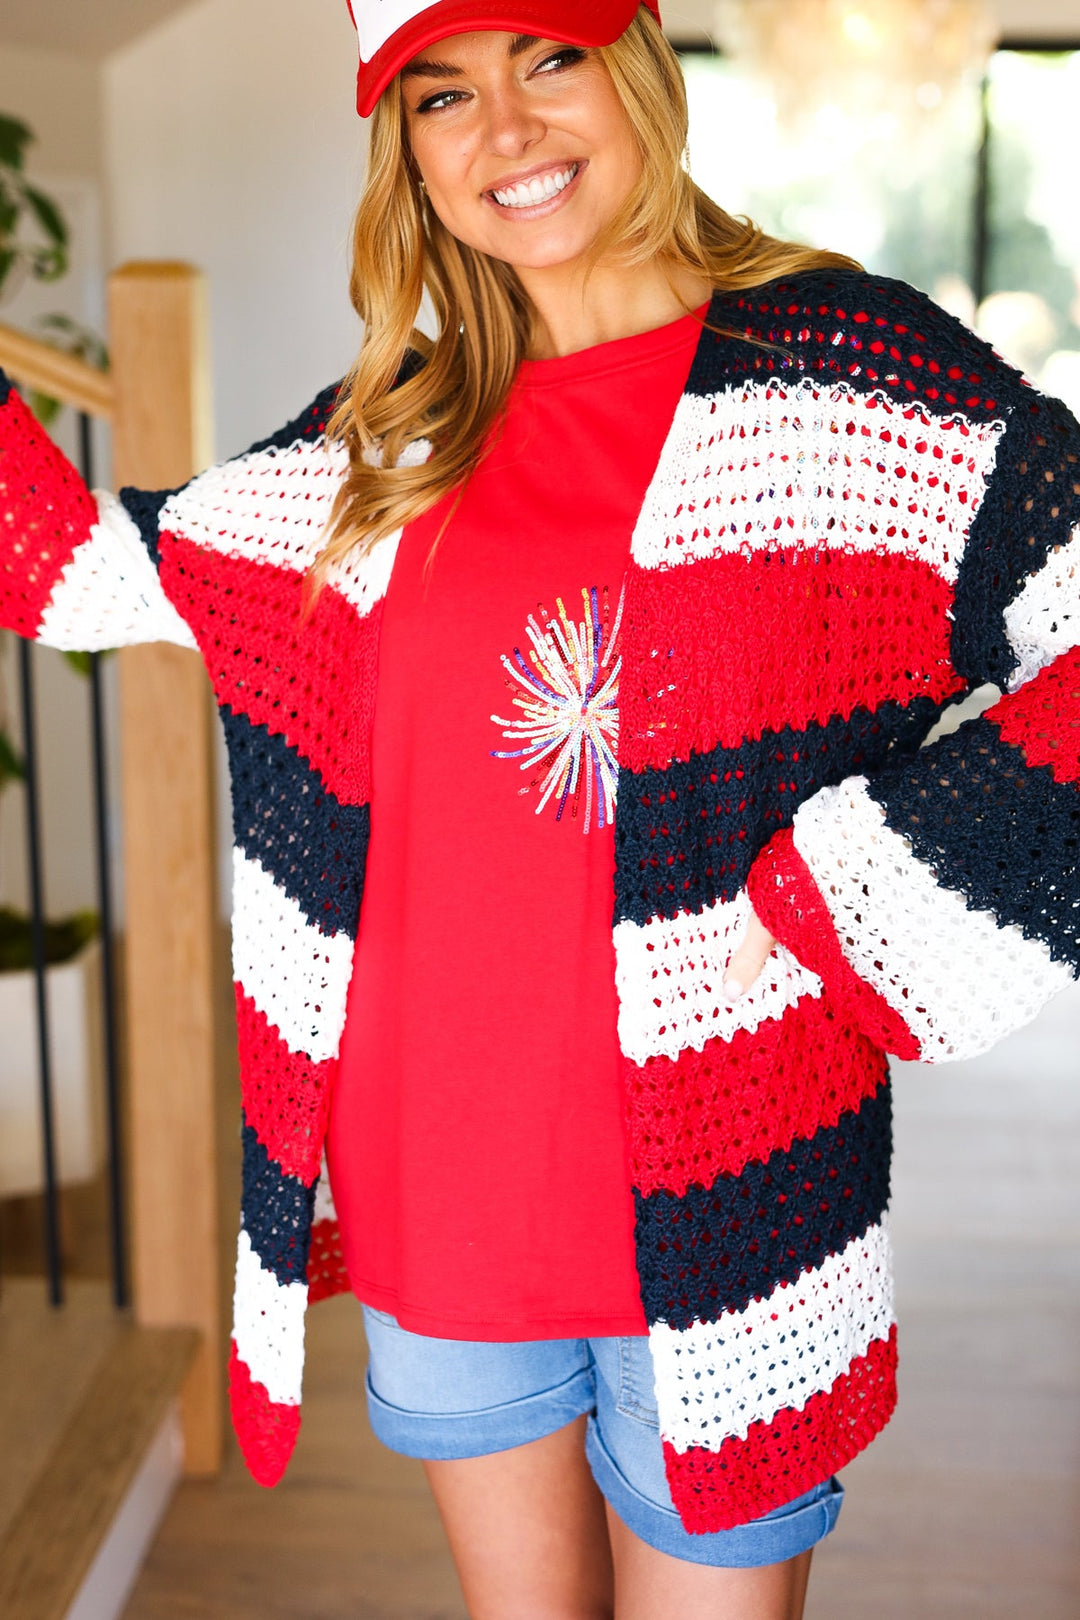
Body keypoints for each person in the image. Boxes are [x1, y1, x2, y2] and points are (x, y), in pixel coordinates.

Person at [1, 2, 1077, 1616]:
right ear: (411, 159)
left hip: (736, 1204)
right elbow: (86, 569)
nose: (504, 130)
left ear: (636, 67)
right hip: (437, 1186)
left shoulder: (855, 381)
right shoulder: (388, 439)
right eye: (442, 96)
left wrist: (858, 893)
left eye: (548, 59)